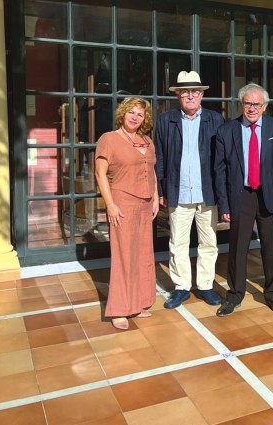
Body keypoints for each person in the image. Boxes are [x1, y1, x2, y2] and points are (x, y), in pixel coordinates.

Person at [154, 71, 225, 309]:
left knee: (209, 243)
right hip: (179, 192)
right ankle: (182, 287)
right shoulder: (166, 120)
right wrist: (162, 190)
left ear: (202, 94)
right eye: (185, 91)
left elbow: (222, 160)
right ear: (178, 95)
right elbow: (160, 158)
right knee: (178, 244)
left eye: (195, 91)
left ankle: (205, 285)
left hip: (207, 193)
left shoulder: (215, 120)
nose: (191, 95)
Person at [214, 83, 273, 317]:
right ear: (241, 104)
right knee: (237, 249)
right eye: (247, 103)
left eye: (257, 104)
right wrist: (224, 204)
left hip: (268, 196)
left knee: (271, 247)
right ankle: (234, 295)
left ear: (264, 106)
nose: (252, 108)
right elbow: (220, 171)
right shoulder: (227, 131)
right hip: (240, 196)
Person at [95, 97, 159, 330]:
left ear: (145, 119)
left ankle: (139, 303)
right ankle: (120, 310)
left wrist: (154, 197)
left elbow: (152, 171)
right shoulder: (109, 139)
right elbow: (100, 173)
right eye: (131, 112)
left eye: (140, 114)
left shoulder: (146, 140)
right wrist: (110, 203)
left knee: (143, 254)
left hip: (145, 204)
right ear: (123, 113)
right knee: (123, 256)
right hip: (122, 201)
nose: (134, 117)